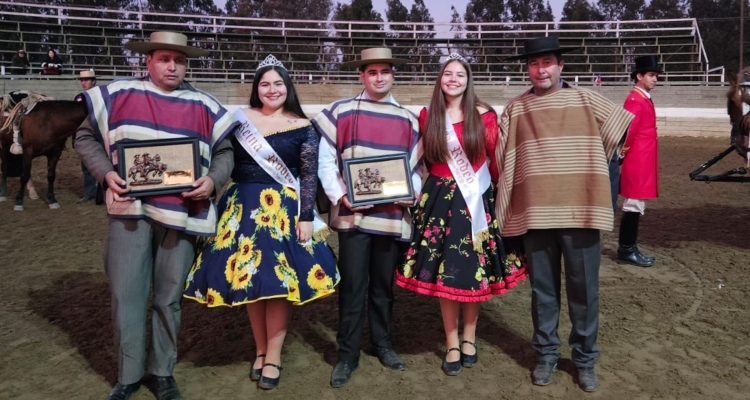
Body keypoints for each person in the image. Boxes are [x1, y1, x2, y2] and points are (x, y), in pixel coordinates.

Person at [75, 31, 238, 400]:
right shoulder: (117, 95)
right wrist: (105, 173)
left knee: (169, 298)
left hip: (182, 216)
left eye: (179, 61)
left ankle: (162, 372)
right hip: (130, 212)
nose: (172, 66)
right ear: (147, 61)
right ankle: (128, 376)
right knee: (127, 295)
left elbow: (226, 152)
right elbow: (84, 139)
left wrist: (213, 180)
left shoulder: (205, 105)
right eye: (164, 58)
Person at [183, 55, 339, 390]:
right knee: (250, 282)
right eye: (265, 83)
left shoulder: (303, 126)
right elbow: (215, 156)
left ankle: (274, 355)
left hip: (282, 212)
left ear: (288, 87)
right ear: (256, 88)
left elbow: (308, 176)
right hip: (241, 208)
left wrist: (307, 216)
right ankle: (260, 349)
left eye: (278, 83)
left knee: (278, 284)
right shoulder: (238, 121)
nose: (272, 89)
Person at [497, 36, 634, 392]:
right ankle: (546, 356)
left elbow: (622, 125)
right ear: (528, 69)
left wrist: (588, 162)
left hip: (581, 211)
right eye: (533, 64)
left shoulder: (587, 99)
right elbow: (502, 159)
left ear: (561, 65)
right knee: (543, 291)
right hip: (536, 214)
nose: (540, 69)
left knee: (584, 291)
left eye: (547, 62)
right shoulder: (516, 109)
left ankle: (584, 359)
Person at [394, 53, 526, 376]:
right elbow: (416, 160)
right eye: (447, 74)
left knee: (473, 270)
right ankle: (451, 341)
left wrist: (500, 203)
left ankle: (470, 337)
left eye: (460, 75)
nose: (453, 79)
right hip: (438, 203)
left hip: (476, 204)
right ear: (440, 79)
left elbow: (495, 165)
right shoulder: (428, 116)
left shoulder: (485, 116)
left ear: (469, 81)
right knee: (445, 273)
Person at [312, 47, 422, 388]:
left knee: (383, 287)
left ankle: (382, 343)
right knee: (353, 285)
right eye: (372, 72)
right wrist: (342, 196)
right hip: (354, 216)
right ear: (362, 75)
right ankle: (347, 354)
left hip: (390, 216)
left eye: (385, 72)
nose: (379, 77)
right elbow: (326, 162)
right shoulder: (341, 112)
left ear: (393, 75)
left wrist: (411, 193)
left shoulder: (408, 119)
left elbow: (416, 169)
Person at [617, 55, 662, 267]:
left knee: (637, 204)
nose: (655, 79)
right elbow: (629, 130)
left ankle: (629, 247)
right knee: (633, 204)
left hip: (643, 158)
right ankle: (626, 249)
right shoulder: (635, 99)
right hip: (637, 159)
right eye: (651, 75)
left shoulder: (642, 97)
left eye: (656, 75)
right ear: (639, 76)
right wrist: (623, 154)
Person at [74, 70, 99, 204]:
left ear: (93, 81)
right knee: (86, 166)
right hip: (86, 135)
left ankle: (103, 193)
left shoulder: (99, 95)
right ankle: (90, 193)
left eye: (87, 80)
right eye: (82, 80)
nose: (84, 83)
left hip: (98, 134)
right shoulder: (78, 97)